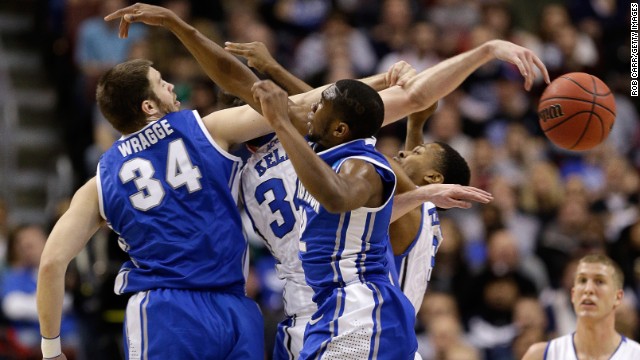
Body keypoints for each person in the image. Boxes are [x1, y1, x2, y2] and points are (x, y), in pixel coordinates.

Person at [36, 4, 281, 359]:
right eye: (161, 82)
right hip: (233, 307)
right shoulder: (204, 129)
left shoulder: (98, 182)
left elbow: (51, 263)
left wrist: (51, 349)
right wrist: (380, 90)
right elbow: (293, 108)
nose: (171, 85)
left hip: (166, 312)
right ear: (149, 106)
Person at [231, 41, 491, 359]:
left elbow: (340, 125)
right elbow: (335, 122)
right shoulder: (413, 204)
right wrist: (416, 125)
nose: (403, 152)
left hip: (369, 325)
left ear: (434, 178)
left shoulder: (378, 176)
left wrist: (274, 71)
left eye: (418, 152)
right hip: (367, 326)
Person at [522, 254, 640, 359]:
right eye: (582, 281)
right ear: (573, 295)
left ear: (618, 297)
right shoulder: (541, 355)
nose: (588, 289)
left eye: (599, 281)